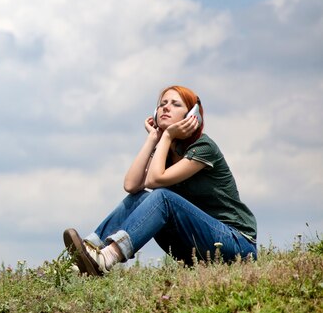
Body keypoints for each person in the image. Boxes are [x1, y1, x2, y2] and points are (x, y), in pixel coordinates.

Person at [63, 85, 257, 276]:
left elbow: (155, 180)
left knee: (163, 197)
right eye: (163, 103)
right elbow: (131, 186)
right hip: (198, 248)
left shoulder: (203, 147)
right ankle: (85, 255)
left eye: (175, 104)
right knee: (138, 199)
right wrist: (154, 138)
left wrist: (167, 135)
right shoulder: (164, 152)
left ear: (192, 115)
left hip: (237, 244)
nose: (166, 107)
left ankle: (108, 257)